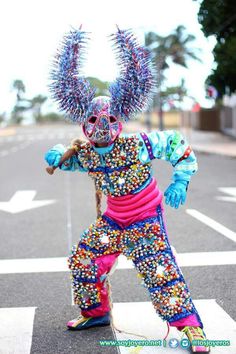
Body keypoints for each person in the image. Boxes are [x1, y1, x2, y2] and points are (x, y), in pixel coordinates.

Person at [45, 28, 210, 353]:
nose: (101, 126)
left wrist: (181, 180)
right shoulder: (87, 152)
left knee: (160, 271)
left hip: (146, 220)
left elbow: (178, 145)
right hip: (113, 222)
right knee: (84, 260)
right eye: (94, 119)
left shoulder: (139, 144)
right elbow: (70, 161)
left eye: (107, 119)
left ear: (119, 120)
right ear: (85, 122)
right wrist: (56, 156)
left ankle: (191, 328)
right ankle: (96, 313)